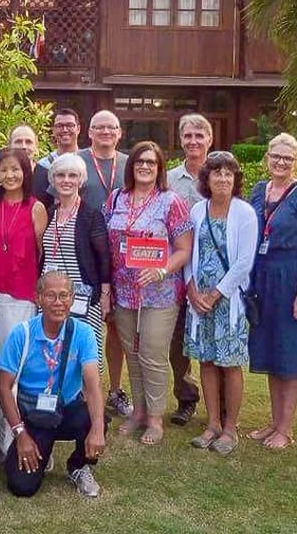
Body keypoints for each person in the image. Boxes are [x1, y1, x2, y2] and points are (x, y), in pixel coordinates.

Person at [105, 141, 192, 445]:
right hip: (124, 291)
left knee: (153, 355)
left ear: (160, 168)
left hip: (160, 292)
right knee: (132, 354)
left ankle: (155, 417)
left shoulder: (172, 201)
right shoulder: (116, 197)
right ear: (132, 166)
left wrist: (162, 269)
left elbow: (184, 249)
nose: (144, 166)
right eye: (140, 161)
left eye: (151, 163)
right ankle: (138, 412)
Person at [0, 271, 105, 498]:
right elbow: (3, 387)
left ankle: (78, 466)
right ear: (38, 298)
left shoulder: (83, 333)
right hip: (34, 416)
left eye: (64, 296)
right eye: (51, 296)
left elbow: (93, 386)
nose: (58, 303)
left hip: (66, 410)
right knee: (22, 487)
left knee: (96, 419)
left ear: (72, 299)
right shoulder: (22, 334)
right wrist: (21, 435)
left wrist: (97, 429)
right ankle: (36, 452)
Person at [247, 133, 297, 450]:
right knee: (270, 350)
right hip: (261, 277)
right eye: (276, 156)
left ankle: (286, 428)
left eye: (288, 158)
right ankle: (274, 421)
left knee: (288, 354)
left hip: (290, 278)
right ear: (267, 157)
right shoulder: (259, 190)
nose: (281, 162)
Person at [184, 152, 257, 456]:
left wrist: (215, 294)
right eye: (217, 174)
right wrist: (192, 292)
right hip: (199, 302)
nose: (223, 179)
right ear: (207, 179)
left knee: (230, 363)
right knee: (208, 361)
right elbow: (187, 254)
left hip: (228, 303)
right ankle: (212, 423)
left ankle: (230, 428)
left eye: (229, 174)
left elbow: (244, 262)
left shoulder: (244, 213)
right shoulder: (197, 211)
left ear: (235, 180)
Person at [77, 110, 131, 418]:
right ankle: (82, 390)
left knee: (116, 326)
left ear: (120, 132)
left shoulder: (129, 164)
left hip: (123, 253)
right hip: (88, 251)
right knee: (86, 321)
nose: (106, 132)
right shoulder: (78, 161)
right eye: (99, 127)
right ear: (90, 132)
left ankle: (115, 389)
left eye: (111, 127)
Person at [0, 148, 48, 376]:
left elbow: (42, 253)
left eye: (15, 169)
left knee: (17, 350)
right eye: (4, 170)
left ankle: (15, 404)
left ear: (26, 173)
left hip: (22, 291)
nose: (10, 175)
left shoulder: (36, 208)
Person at [42, 153, 111, 373]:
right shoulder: (49, 213)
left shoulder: (91, 216)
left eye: (73, 175)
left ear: (81, 180)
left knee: (84, 356)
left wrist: (105, 295)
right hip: (51, 296)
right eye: (61, 175)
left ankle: (86, 403)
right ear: (53, 180)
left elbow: (104, 257)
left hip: (81, 298)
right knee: (51, 353)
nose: (66, 180)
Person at [165, 113, 213, 426]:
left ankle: (220, 404)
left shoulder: (222, 174)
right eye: (188, 136)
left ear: (209, 139)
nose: (193, 141)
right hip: (176, 272)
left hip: (213, 275)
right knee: (177, 343)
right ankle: (186, 397)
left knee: (211, 341)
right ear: (181, 140)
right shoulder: (168, 180)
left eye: (199, 136)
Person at [0, 124, 53, 209]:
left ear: (36, 146)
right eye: (18, 141)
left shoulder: (47, 177)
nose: (24, 146)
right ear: (9, 145)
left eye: (28, 142)